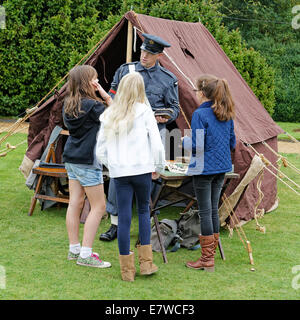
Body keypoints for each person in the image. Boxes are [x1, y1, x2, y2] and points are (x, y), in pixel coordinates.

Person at [99, 33, 179, 242]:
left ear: (159, 55)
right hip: (126, 132)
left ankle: (147, 226)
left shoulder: (167, 79)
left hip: (152, 133)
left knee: (151, 179)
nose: (144, 56)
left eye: (149, 53)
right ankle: (115, 224)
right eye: (143, 51)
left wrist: (164, 117)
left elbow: (175, 109)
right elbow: (113, 95)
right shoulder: (126, 70)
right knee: (118, 178)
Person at [96, 72, 165, 281]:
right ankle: (146, 264)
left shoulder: (110, 113)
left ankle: (127, 271)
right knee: (144, 212)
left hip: (121, 172)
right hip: (142, 169)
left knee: (124, 218)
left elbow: (100, 151)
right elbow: (157, 143)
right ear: (140, 89)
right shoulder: (144, 111)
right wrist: (158, 166)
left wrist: (114, 165)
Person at [182, 74, 236, 272]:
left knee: (206, 212)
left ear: (203, 93)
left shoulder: (200, 115)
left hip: (204, 169)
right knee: (212, 210)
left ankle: (207, 259)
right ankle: (209, 256)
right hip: (222, 168)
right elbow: (232, 143)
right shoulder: (226, 113)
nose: (195, 94)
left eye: (196, 91)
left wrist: (184, 142)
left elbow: (197, 146)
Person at [63, 65, 113, 268]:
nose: (98, 82)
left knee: (75, 202)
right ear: (88, 82)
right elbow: (116, 115)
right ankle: (85, 254)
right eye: (95, 79)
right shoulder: (94, 106)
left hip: (71, 158)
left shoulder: (68, 103)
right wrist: (105, 95)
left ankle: (74, 249)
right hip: (87, 160)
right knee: (99, 206)